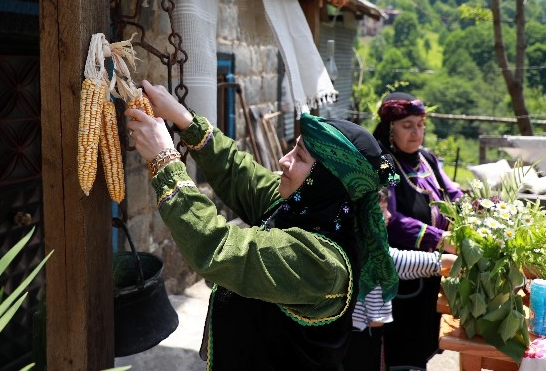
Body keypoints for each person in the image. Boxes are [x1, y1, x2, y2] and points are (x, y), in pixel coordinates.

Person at [125, 79, 400, 371]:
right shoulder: (298, 206)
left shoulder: (322, 264)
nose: (283, 160)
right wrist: (183, 118)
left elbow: (219, 248)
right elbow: (240, 174)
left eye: (300, 157)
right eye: (293, 148)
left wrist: (165, 161)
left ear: (325, 182)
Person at [372, 92, 463, 370]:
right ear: (390, 129)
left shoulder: (427, 158)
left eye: (420, 125)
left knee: (427, 335)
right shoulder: (384, 162)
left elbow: (453, 192)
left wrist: (473, 211)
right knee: (403, 342)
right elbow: (392, 218)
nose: (416, 132)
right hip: (405, 273)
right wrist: (439, 239)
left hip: (435, 269)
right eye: (407, 125)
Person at [342, 188, 457, 371]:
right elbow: (403, 262)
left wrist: (446, 263)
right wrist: (450, 263)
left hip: (365, 333)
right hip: (360, 336)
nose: (388, 216)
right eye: (380, 211)